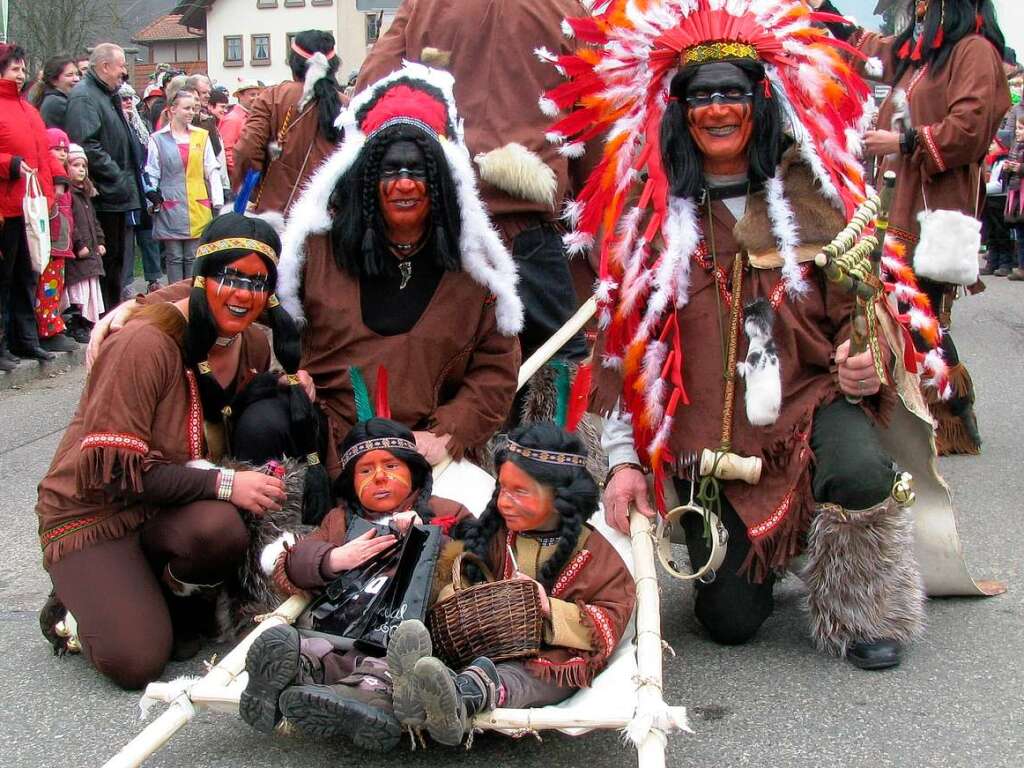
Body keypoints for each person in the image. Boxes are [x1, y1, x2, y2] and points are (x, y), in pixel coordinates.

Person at [550, 0, 931, 670]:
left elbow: (865, 309)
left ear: (761, 102)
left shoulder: (811, 190)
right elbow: (622, 352)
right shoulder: (649, 213)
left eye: (734, 93)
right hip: (712, 447)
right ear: (678, 109)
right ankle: (773, 549)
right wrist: (624, 462)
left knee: (861, 470)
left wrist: (866, 361)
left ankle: (863, 605)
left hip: (808, 406)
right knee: (727, 624)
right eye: (701, 97)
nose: (718, 109)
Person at [124, 65, 522, 474]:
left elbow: (496, 371)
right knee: (262, 423)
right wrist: (145, 306)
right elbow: (239, 281)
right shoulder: (317, 248)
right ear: (366, 181)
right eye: (390, 171)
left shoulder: (476, 269)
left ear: (442, 182)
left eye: (418, 171)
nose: (405, 184)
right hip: (328, 434)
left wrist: (448, 432)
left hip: (423, 450)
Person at [35, 214, 320, 688]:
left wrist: (290, 392)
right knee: (138, 662)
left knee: (220, 529)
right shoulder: (143, 344)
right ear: (202, 278)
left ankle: (144, 593)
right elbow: (110, 474)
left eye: (257, 281)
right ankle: (73, 605)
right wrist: (226, 482)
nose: (242, 293)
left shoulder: (249, 344)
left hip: (164, 512)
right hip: (94, 514)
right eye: (229, 276)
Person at [812, 0, 1010, 455]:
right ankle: (934, 412)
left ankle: (953, 417)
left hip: (931, 207)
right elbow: (874, 53)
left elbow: (971, 126)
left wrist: (902, 140)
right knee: (904, 312)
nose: (917, 7)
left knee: (919, 315)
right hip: (896, 201)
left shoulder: (973, 51)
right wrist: (823, 10)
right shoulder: (924, 55)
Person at [358, 0, 593, 374]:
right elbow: (593, 119)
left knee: (440, 366)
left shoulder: (425, 5)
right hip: (529, 223)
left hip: (442, 217)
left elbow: (372, 90)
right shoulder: (565, 7)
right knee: (555, 364)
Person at [390, 421, 635, 747]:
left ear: (561, 498)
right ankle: (411, 682)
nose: (505, 502)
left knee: (521, 677)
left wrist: (549, 609)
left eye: (520, 492)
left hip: (549, 659)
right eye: (503, 489)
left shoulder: (595, 553)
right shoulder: (498, 534)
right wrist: (454, 587)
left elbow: (612, 617)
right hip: (484, 640)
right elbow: (464, 566)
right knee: (443, 632)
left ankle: (461, 698)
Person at [238, 417, 471, 750]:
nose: (379, 477)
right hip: (342, 627)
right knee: (312, 648)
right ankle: (293, 673)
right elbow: (293, 564)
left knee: (385, 667)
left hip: (403, 635)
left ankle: (363, 702)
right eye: (365, 471)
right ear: (351, 483)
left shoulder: (446, 512)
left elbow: (477, 563)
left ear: (414, 472)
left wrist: (429, 538)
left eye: (391, 465)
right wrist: (335, 559)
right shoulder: (340, 520)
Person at [65, 43, 144, 313]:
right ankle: (104, 314)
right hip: (104, 193)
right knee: (107, 259)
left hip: (117, 192)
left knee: (118, 259)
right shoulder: (85, 97)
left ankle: (113, 310)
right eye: (121, 66)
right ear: (104, 67)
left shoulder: (106, 95)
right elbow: (88, 145)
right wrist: (118, 177)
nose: (124, 72)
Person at [232, 30, 342, 217]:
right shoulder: (346, 104)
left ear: (294, 63)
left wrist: (257, 190)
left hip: (276, 213)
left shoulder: (272, 97)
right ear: (332, 66)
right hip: (329, 213)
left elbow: (247, 150)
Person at [0, 43, 57, 368]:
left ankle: (25, 340)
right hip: (5, 208)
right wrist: (9, 163)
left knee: (27, 275)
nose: (21, 75)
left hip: (30, 207)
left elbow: (44, 157)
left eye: (23, 69)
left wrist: (49, 195)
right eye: (14, 69)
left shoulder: (29, 111)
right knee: (3, 279)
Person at [143, 88, 224, 283]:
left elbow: (212, 169)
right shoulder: (157, 139)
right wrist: (152, 197)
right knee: (174, 257)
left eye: (193, 109)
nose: (191, 112)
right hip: (170, 203)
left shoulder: (202, 136)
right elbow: (151, 171)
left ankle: (191, 298)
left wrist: (218, 201)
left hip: (197, 203)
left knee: (193, 256)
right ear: (173, 110)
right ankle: (174, 300)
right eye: (186, 108)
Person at [35, 128, 78, 353]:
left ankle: (53, 323)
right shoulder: (46, 177)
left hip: (62, 244)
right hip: (48, 245)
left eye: (65, 150)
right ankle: (47, 327)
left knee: (56, 287)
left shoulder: (65, 179)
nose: (61, 154)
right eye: (56, 149)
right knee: (48, 288)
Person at [118, 82, 164, 293]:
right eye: (123, 98)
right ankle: (125, 283)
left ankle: (154, 278)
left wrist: (151, 190)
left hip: (141, 185)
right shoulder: (118, 126)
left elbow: (146, 161)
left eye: (130, 98)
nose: (127, 102)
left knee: (148, 236)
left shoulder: (140, 125)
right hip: (125, 189)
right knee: (127, 241)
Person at [64, 143, 106, 342]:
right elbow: (71, 223)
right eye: (76, 165)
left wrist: (100, 240)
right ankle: (77, 322)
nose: (81, 170)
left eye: (83, 166)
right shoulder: (68, 195)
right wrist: (79, 244)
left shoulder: (86, 195)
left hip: (91, 252)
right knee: (78, 291)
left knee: (90, 288)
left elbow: (94, 221)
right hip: (79, 254)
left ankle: (89, 321)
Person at [218, 79, 260, 178]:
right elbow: (227, 151)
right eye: (252, 94)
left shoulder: (251, 116)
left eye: (258, 94)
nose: (256, 98)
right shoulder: (233, 119)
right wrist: (240, 174)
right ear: (240, 96)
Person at [28, 54, 80, 130]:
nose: (77, 79)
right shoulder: (56, 103)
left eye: (77, 74)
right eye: (69, 75)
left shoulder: (56, 99)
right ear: (54, 80)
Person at [1004, 114, 1024, 281]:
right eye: (1017, 127)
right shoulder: (1016, 147)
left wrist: (1020, 168)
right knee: (1019, 231)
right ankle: (1020, 265)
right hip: (1016, 193)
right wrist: (1007, 168)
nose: (1017, 131)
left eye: (1021, 128)